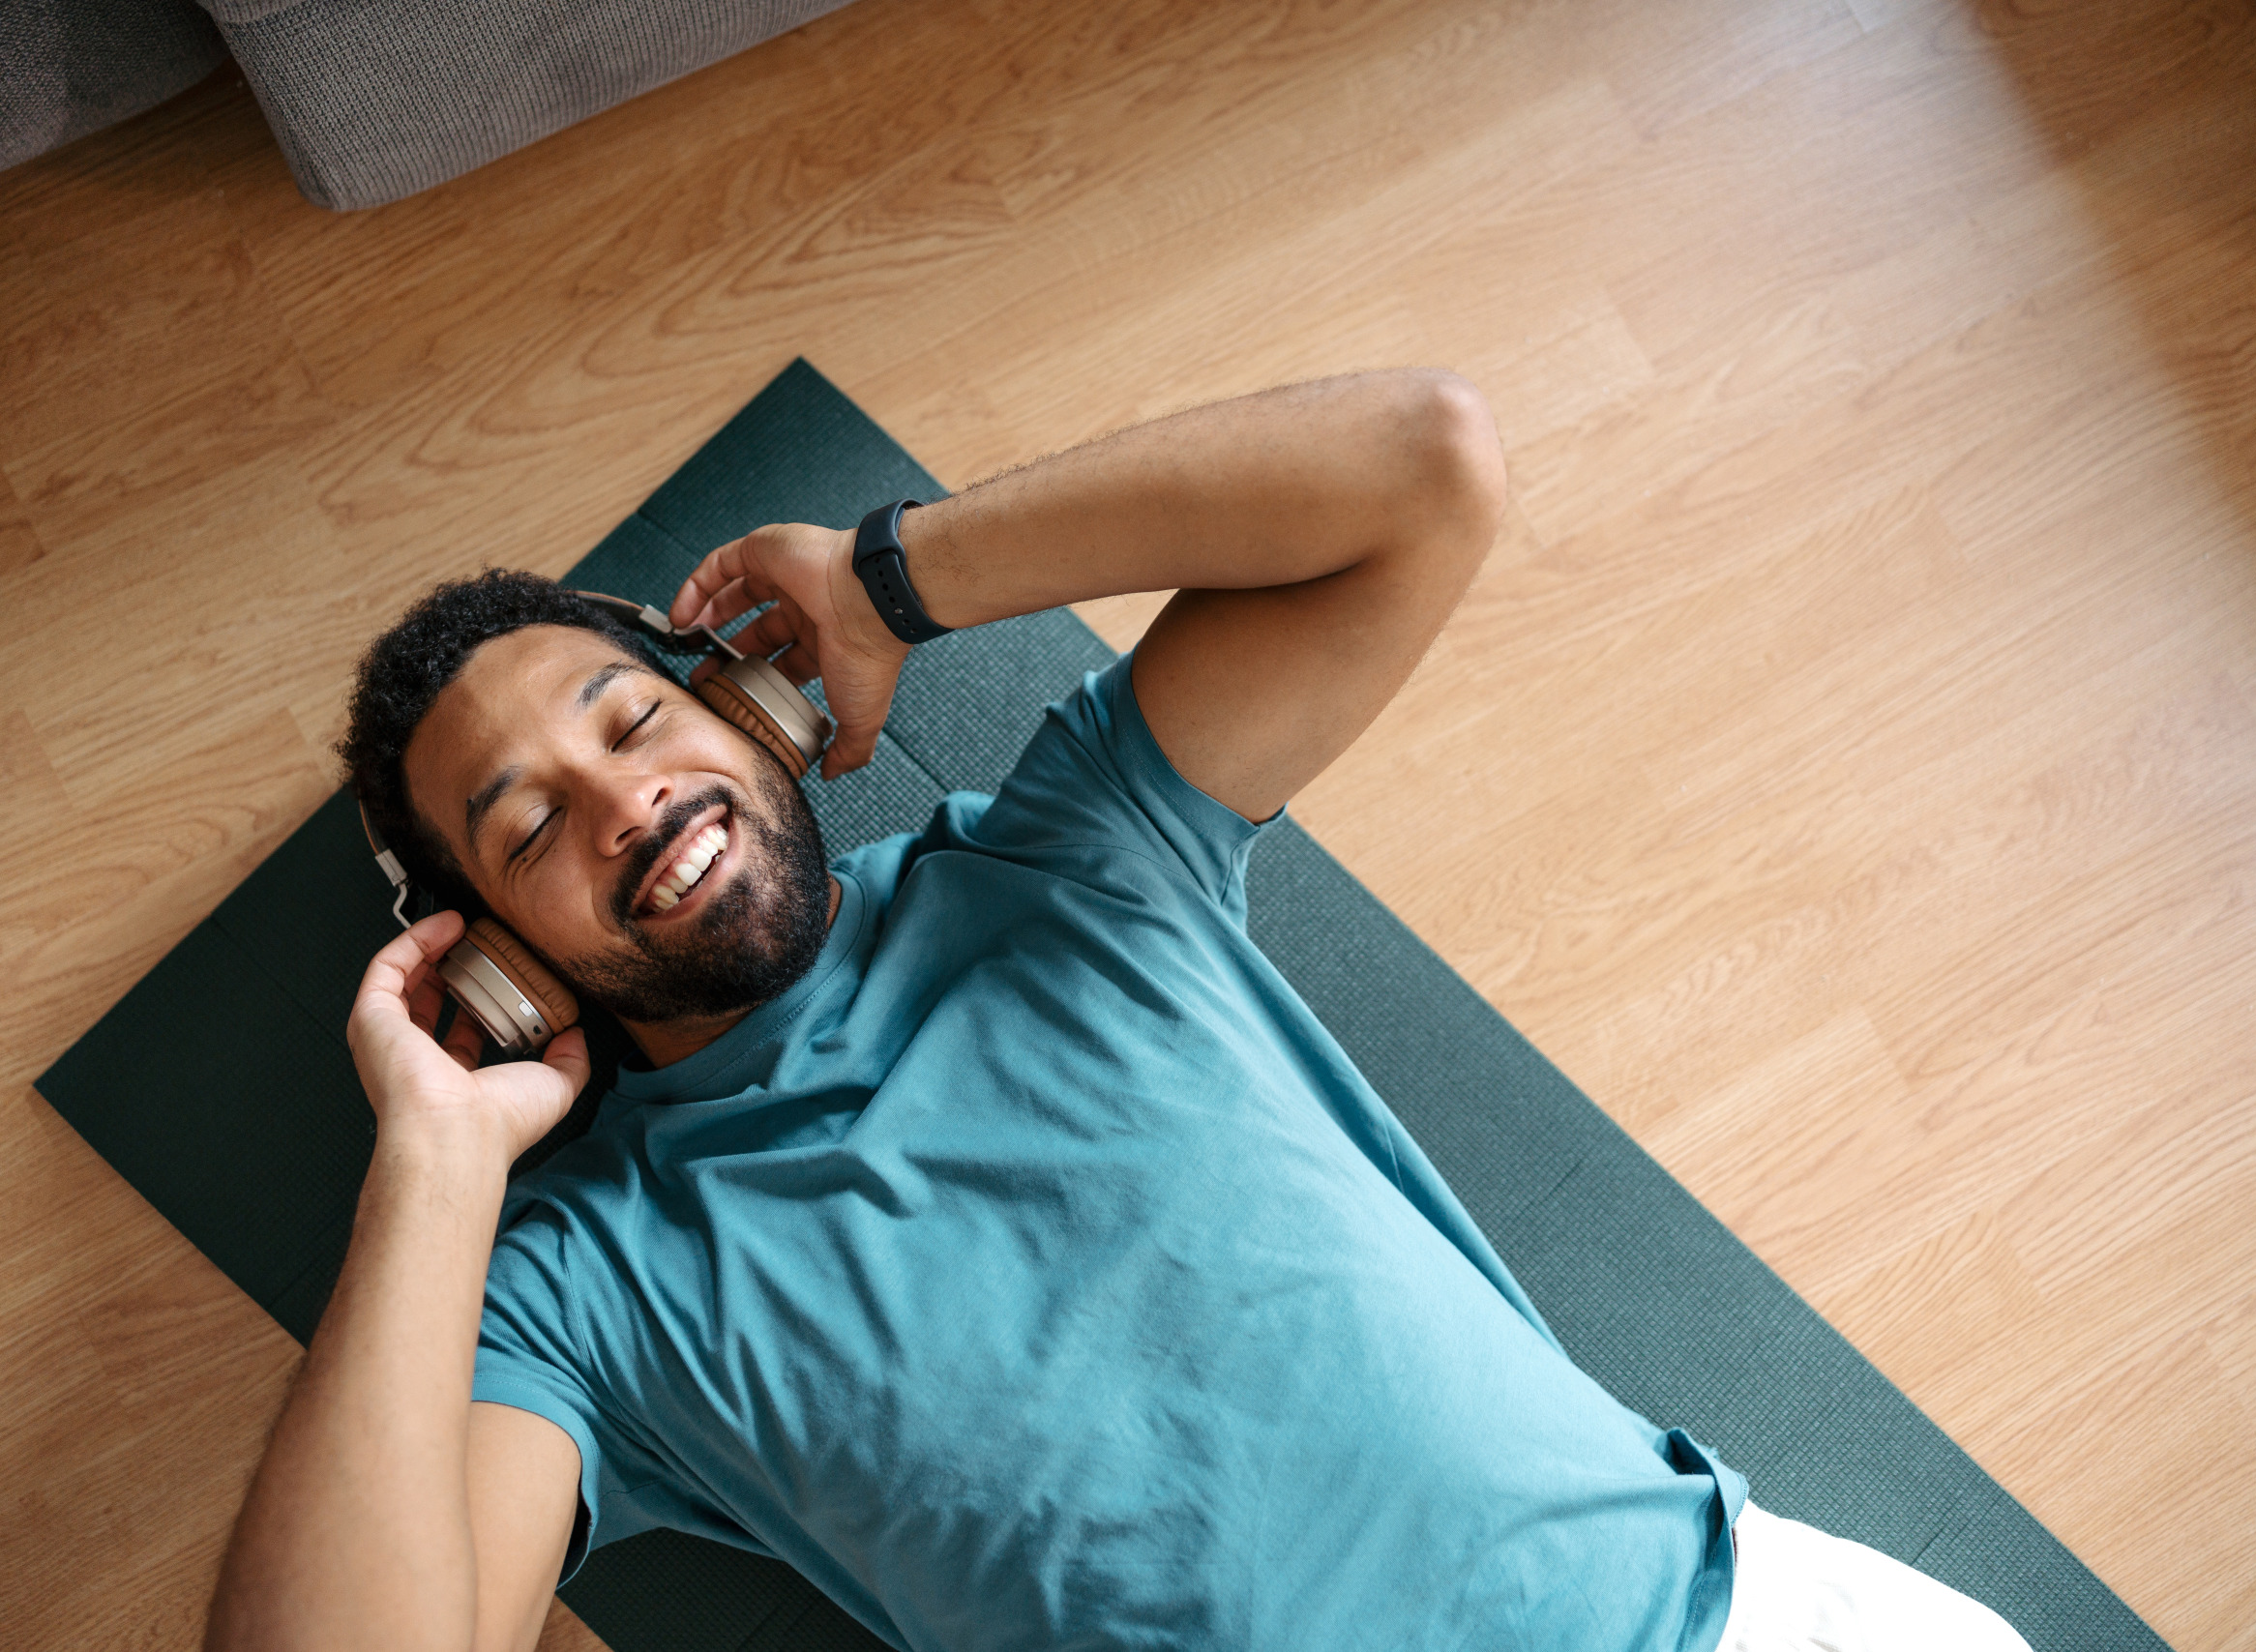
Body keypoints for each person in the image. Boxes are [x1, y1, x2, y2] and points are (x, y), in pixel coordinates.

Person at [205, 371, 2033, 1652]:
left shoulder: (1071, 852)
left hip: (1741, 1615)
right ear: (494, 957)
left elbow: (1425, 468)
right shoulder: (580, 1289)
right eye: (528, 830)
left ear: (749, 708)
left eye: (633, 722)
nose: (625, 803)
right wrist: (433, 1159)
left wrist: (892, 578)